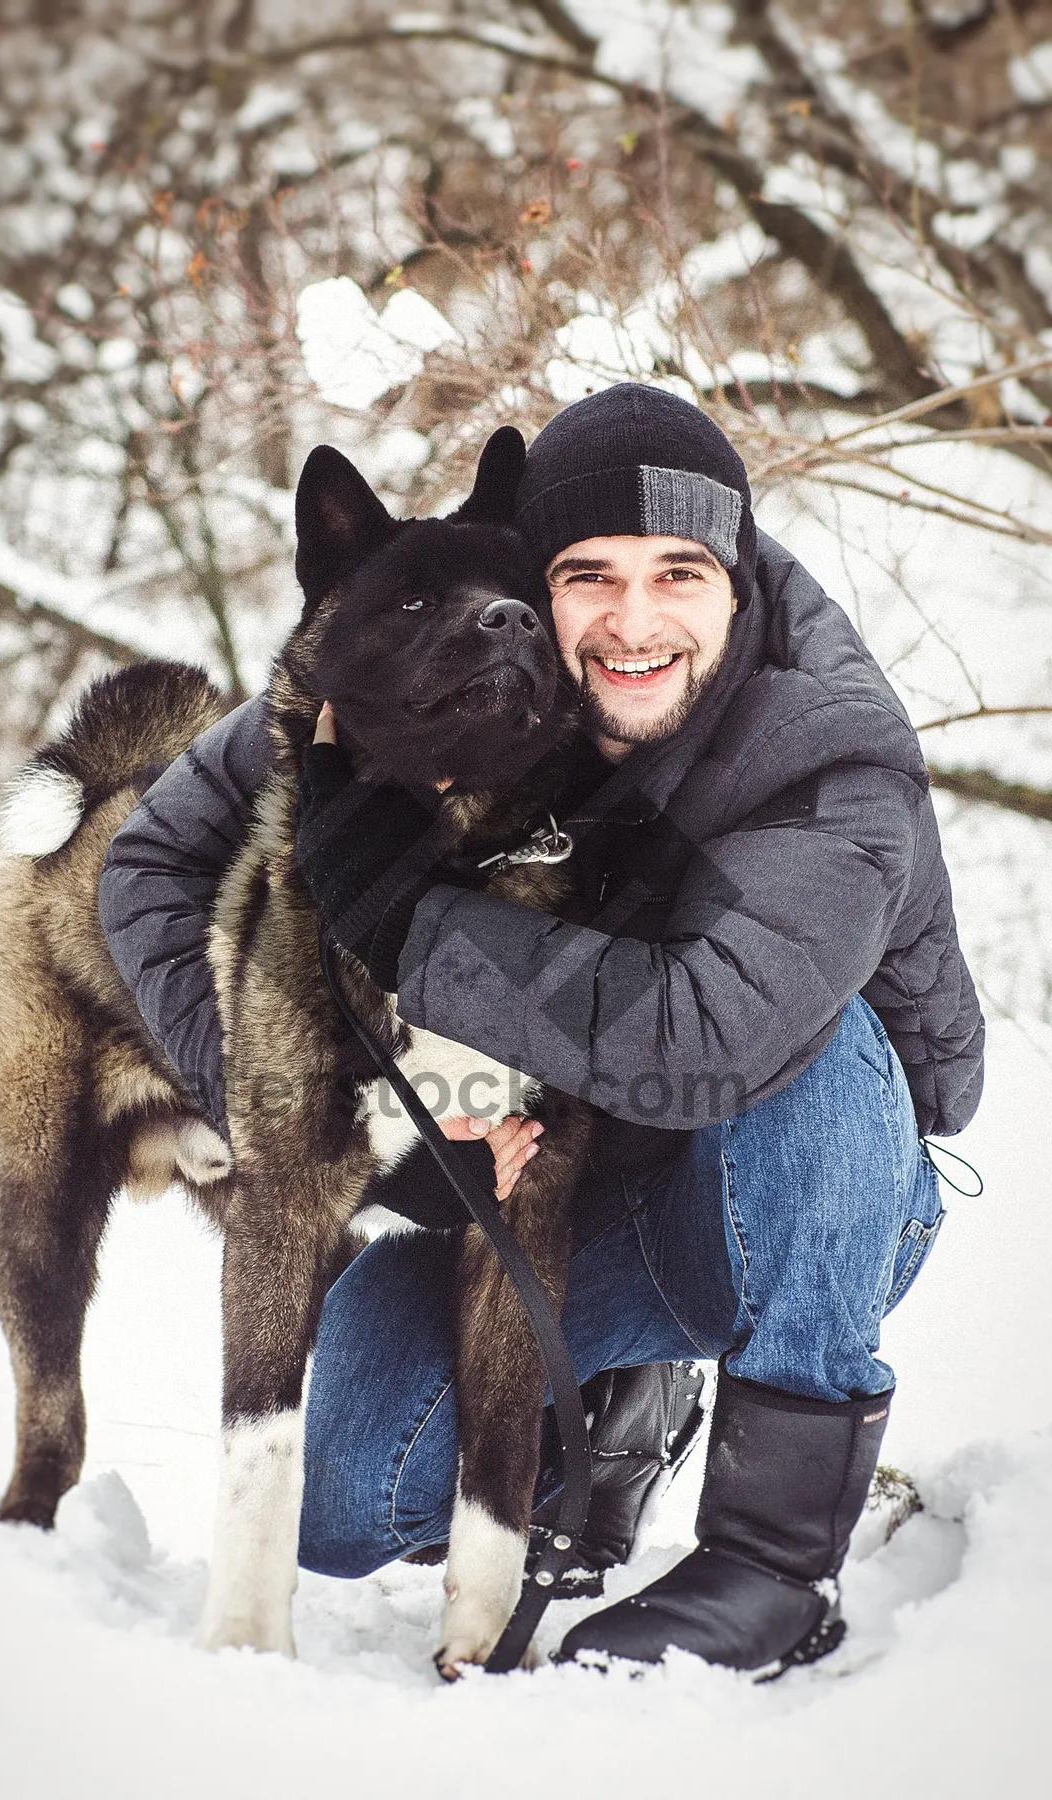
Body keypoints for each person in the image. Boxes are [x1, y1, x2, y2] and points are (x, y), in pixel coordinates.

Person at [98, 384, 983, 1674]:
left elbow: (713, 1039)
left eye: (680, 572)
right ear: (531, 576)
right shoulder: (422, 671)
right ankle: (619, 1400)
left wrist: (406, 930)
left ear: (736, 579)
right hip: (561, 1187)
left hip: (801, 1197)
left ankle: (774, 1561)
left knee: (815, 1037)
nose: (634, 621)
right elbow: (154, 865)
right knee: (342, 1508)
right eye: (589, 577)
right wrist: (275, 1093)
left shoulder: (822, 751)